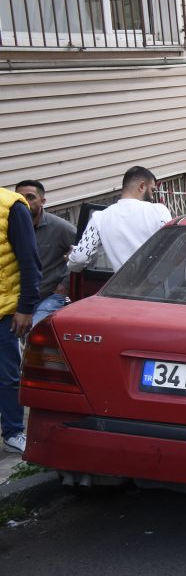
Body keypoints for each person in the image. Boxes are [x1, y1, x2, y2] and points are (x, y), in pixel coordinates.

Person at [67, 166, 172, 273]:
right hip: (157, 287)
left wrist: (71, 259)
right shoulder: (159, 211)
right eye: (152, 190)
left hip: (122, 288)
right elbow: (172, 248)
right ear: (141, 186)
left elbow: (79, 258)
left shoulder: (100, 218)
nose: (153, 197)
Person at [0, 186, 41, 454]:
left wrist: (26, 307)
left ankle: (13, 431)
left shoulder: (12, 207)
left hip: (5, 311)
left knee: (7, 375)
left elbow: (29, 261)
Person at [15, 181, 77, 326]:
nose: (25, 202)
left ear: (42, 201)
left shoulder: (60, 227)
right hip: (16, 298)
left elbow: (88, 255)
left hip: (49, 296)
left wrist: (65, 285)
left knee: (33, 333)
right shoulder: (9, 226)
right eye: (19, 198)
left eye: (30, 197)